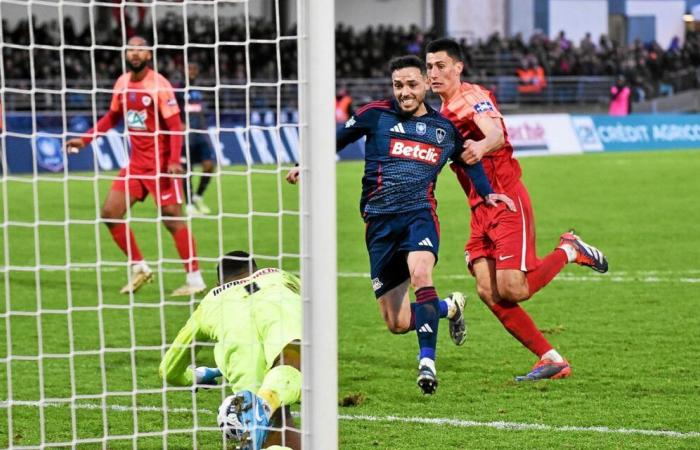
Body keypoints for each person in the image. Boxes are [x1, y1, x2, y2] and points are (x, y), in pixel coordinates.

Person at [287, 55, 514, 394]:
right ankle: (448, 307)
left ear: (425, 83)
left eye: (411, 84)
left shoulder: (443, 129)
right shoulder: (374, 115)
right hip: (379, 224)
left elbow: (468, 161)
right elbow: (334, 139)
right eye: (398, 86)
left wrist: (487, 193)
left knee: (422, 273)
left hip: (419, 215)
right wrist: (305, 163)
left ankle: (427, 363)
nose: (404, 92)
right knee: (398, 322)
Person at [425, 38, 608, 381]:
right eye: (430, 67)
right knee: (487, 289)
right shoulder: (443, 114)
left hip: (506, 199)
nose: (434, 73)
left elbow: (494, 132)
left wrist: (481, 146)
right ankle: (551, 358)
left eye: (441, 66)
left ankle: (569, 249)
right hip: (479, 208)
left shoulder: (470, 97)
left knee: (514, 289)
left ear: (458, 67)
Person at [65, 36, 205, 296]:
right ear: (126, 55)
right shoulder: (122, 83)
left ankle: (195, 279)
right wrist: (85, 139)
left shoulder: (159, 84)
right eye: (131, 49)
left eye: (140, 49)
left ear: (149, 55)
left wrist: (174, 159)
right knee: (110, 212)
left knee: (172, 219)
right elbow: (112, 117)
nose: (135, 53)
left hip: (162, 164)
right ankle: (140, 267)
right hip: (136, 165)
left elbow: (175, 126)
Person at [159, 250, 301, 450]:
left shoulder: (210, 301)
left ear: (219, 284)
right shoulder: (279, 275)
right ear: (256, 270)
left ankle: (261, 408)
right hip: (282, 325)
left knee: (275, 426)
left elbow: (168, 369)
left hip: (242, 357)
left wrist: (194, 377)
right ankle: (265, 405)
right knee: (290, 359)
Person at [177, 62, 216, 215]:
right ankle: (189, 205)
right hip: (186, 136)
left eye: (195, 69)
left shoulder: (199, 90)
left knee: (209, 166)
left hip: (200, 134)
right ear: (183, 71)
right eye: (189, 69)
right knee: (188, 170)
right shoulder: (178, 90)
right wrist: (179, 123)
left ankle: (198, 196)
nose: (192, 72)